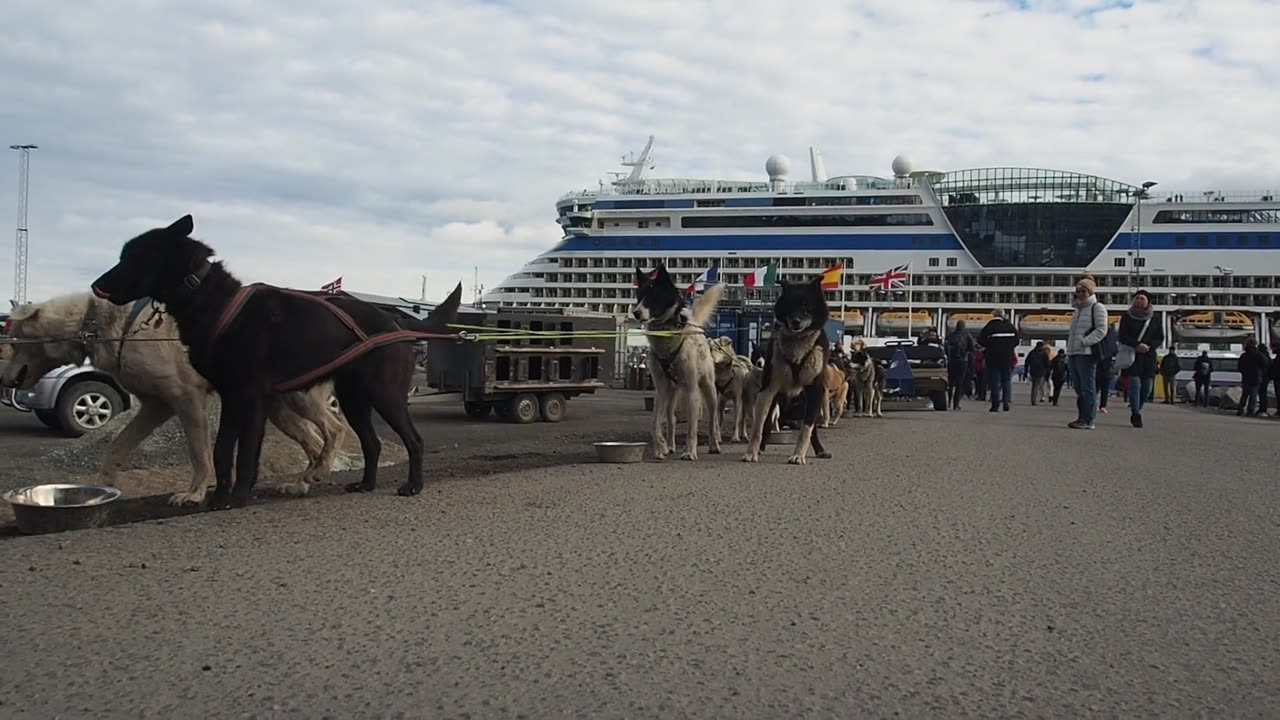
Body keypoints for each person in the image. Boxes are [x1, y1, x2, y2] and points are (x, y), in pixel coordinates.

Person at [1116, 289, 1164, 428]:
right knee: (1135, 385)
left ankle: (1138, 407)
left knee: (1147, 388)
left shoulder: (1155, 318)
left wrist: (1149, 346)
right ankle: (1135, 413)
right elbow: (1122, 336)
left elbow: (1160, 337)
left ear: (1148, 301)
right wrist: (1137, 345)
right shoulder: (1127, 317)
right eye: (1137, 298)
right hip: (1133, 354)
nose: (1138, 301)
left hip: (1148, 355)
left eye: (1142, 298)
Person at [1065, 278, 1108, 429]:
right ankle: (1081, 417)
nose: (1080, 294)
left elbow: (1102, 330)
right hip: (1074, 352)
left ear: (1090, 292)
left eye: (1083, 291)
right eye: (1078, 291)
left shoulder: (1097, 307)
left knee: (1087, 387)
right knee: (1078, 387)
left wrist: (1084, 342)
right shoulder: (1078, 310)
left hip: (1087, 353)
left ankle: (1088, 420)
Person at [978, 309, 1019, 412]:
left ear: (994, 315)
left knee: (995, 382)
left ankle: (995, 405)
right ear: (1003, 315)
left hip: (993, 358)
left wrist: (991, 345)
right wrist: (1008, 347)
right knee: (1006, 381)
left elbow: (981, 340)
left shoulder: (990, 326)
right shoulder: (1010, 326)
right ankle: (1006, 402)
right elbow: (1017, 341)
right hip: (1007, 358)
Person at [944, 321, 976, 410]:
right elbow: (972, 349)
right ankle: (956, 404)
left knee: (950, 382)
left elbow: (945, 347)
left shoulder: (950, 336)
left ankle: (949, 401)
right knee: (959, 383)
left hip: (951, 361)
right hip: (962, 361)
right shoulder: (967, 336)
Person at [1237, 339, 1264, 417]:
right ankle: (1250, 411)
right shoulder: (1259, 355)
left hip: (1246, 377)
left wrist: (1244, 373)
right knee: (1253, 395)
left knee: (1244, 395)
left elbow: (1240, 367)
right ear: (1255, 344)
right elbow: (1265, 364)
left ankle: (1240, 409)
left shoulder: (1244, 355)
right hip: (1256, 377)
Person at [1027, 341, 1050, 405]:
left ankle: (1033, 399)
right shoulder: (1044, 353)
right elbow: (1047, 363)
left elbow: (1027, 362)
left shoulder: (1032, 352)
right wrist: (1048, 371)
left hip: (1033, 371)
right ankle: (1035, 400)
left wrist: (1026, 371)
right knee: (1038, 385)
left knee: (1034, 385)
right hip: (1041, 371)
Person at [1257, 345, 1272, 415]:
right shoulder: (1268, 357)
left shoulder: (1260, 357)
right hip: (1266, 378)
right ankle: (1263, 408)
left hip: (1261, 377)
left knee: (1261, 393)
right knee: (1264, 393)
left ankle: (1262, 408)